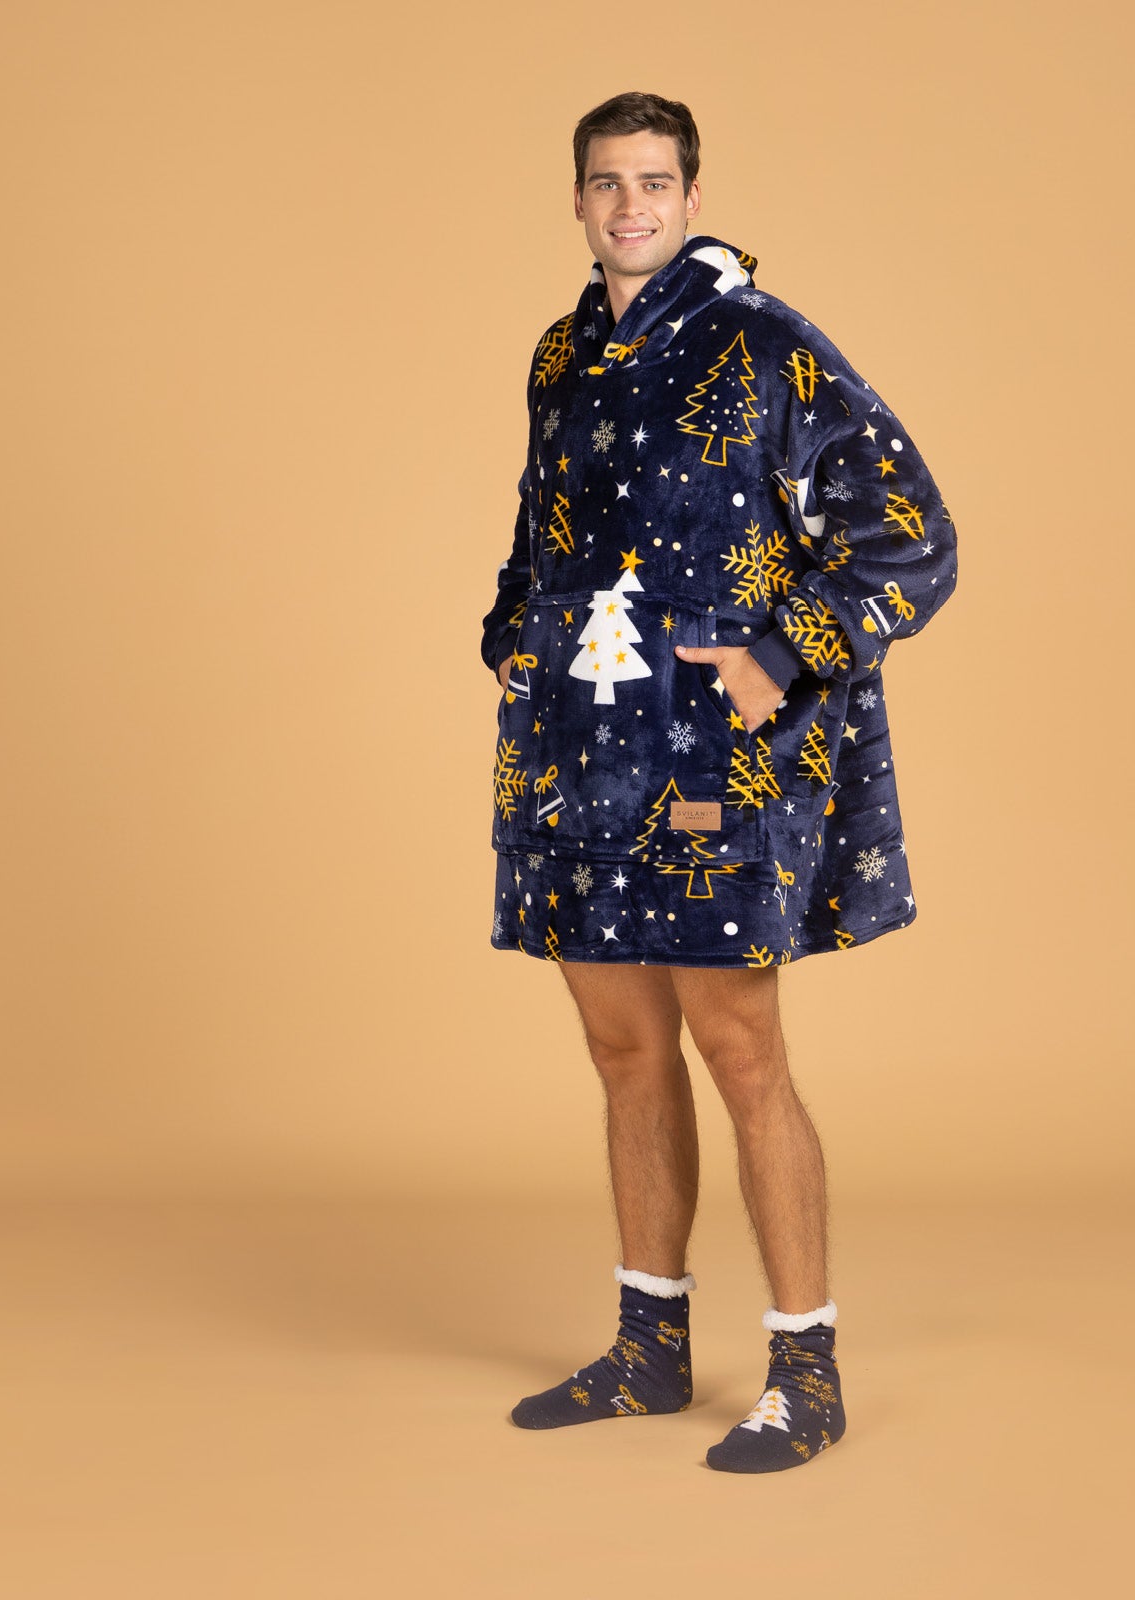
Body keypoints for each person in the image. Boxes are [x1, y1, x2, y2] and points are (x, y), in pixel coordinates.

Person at [479, 91, 958, 1472]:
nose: (630, 204)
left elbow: (912, 532)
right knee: (623, 1052)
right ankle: (650, 1349)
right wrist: (512, 636)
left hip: (715, 761)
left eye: (654, 181)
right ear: (579, 202)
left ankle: (806, 1370)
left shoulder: (766, 343)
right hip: (578, 752)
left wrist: (781, 653)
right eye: (607, 182)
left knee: (741, 1053)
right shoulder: (561, 356)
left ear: (691, 197)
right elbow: (541, 526)